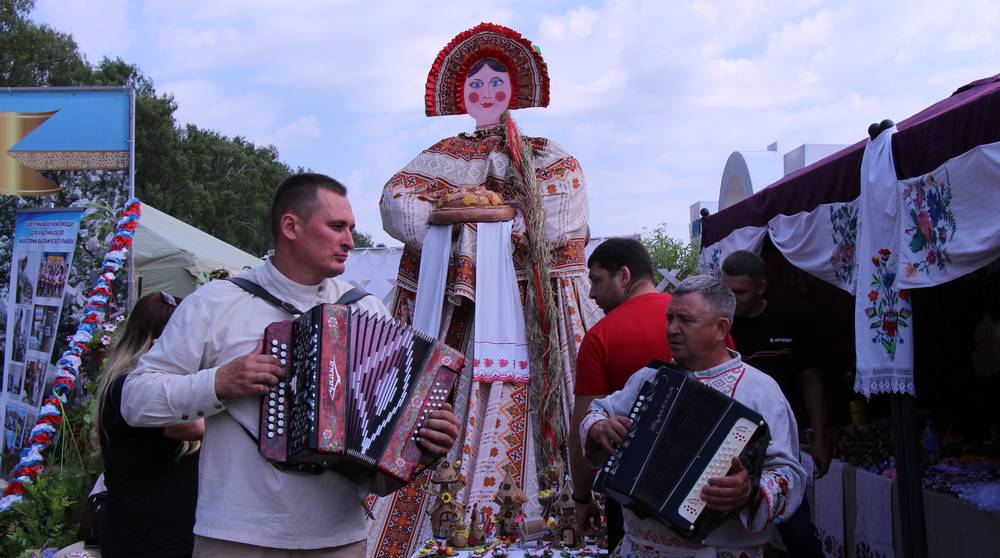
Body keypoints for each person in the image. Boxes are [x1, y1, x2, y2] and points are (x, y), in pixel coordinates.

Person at [121, 173, 462, 558]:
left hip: (339, 538)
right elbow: (134, 401)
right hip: (237, 537)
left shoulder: (364, 309)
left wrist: (425, 440)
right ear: (290, 226)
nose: (350, 241)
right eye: (337, 227)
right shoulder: (215, 303)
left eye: (350, 228)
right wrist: (218, 383)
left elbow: (386, 446)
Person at [371, 23, 600, 558]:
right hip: (454, 309)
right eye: (477, 86)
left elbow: (562, 214)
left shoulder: (547, 154)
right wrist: (478, 233)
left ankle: (548, 508)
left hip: (529, 305)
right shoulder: (441, 154)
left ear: (515, 90)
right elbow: (397, 203)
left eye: (497, 84)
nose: (487, 94)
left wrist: (471, 229)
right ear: (460, 95)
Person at [582, 276, 805, 557]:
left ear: (721, 328)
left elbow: (788, 472)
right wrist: (599, 427)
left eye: (686, 320)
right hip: (641, 548)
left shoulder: (760, 390)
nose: (672, 329)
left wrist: (749, 491)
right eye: (670, 318)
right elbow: (598, 410)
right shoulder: (649, 379)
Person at [722, 250, 828, 557]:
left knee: (800, 536)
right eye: (726, 290)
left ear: (761, 288)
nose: (731, 299)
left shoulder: (789, 322)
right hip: (730, 451)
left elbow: (811, 381)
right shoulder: (721, 328)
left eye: (739, 292)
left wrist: (821, 438)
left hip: (778, 447)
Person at [569, 238, 670, 549]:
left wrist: (582, 496)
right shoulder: (699, 322)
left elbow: (584, 427)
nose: (591, 293)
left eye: (596, 280)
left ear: (624, 276)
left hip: (630, 492)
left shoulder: (601, 337)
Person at [95, 291, 202, 557]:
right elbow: (197, 426)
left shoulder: (117, 382)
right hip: (153, 538)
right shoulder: (136, 390)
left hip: (144, 529)